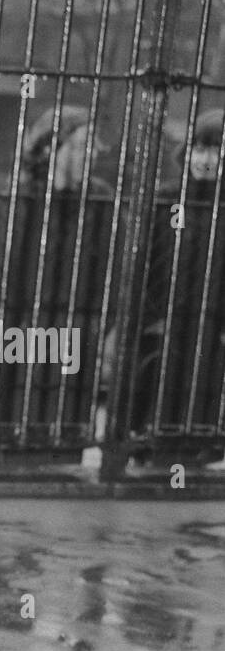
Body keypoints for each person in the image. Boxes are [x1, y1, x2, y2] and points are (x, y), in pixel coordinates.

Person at [0, 104, 113, 463]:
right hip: (24, 334)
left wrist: (93, 326)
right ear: (52, 148)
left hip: (74, 334)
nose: (91, 156)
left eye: (92, 147)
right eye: (82, 146)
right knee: (16, 437)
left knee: (62, 446)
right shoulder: (19, 200)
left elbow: (113, 276)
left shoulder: (100, 201)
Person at [128, 108, 225, 465]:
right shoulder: (167, 198)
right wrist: (150, 313)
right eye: (199, 148)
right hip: (165, 318)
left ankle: (196, 449)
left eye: (215, 150)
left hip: (213, 319)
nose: (205, 158)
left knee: (204, 388)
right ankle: (149, 445)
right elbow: (145, 260)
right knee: (157, 383)